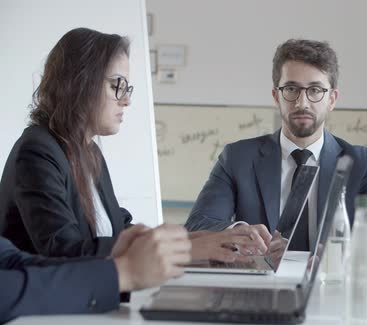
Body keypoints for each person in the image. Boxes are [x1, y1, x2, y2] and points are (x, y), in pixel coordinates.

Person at [0, 28, 260, 262]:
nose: (126, 101)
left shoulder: (89, 152)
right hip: (43, 312)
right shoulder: (37, 152)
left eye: (127, 88)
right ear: (79, 82)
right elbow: (64, 251)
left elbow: (122, 233)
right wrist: (190, 251)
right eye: (117, 85)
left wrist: (214, 238)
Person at [186, 39, 367, 263]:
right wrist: (237, 232)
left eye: (315, 90)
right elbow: (199, 223)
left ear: (332, 99)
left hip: (330, 285)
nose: (302, 103)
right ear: (276, 96)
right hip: (262, 286)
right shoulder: (238, 157)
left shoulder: (358, 161)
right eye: (291, 89)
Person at [0, 223, 191, 324]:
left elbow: (13, 261)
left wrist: (115, 263)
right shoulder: (39, 151)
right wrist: (123, 273)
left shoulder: (92, 157)